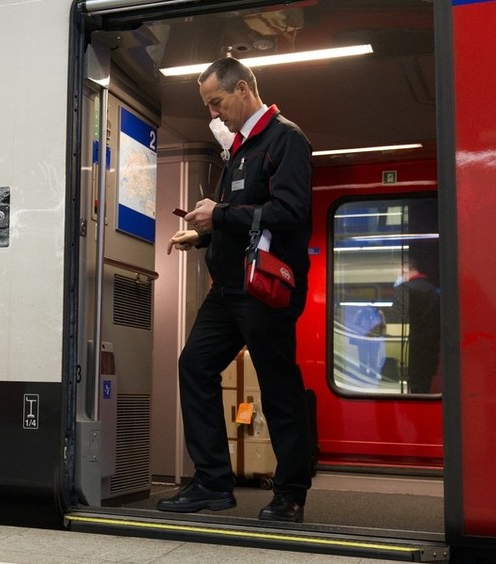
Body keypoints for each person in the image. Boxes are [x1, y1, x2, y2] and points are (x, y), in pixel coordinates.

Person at [158, 57, 313, 523]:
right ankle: (212, 484)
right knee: (195, 366)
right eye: (209, 106)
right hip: (228, 289)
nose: (214, 113)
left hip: (264, 288)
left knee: (278, 387)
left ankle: (290, 494)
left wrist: (218, 215)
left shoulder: (286, 140)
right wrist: (203, 232)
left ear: (243, 89)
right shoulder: (242, 149)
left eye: (217, 102)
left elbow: (289, 212)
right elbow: (245, 215)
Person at [391, 259, 440, 393]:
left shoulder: (405, 289)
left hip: (415, 347)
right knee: (426, 384)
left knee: (415, 387)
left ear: (405, 271)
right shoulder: (433, 290)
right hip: (433, 347)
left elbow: (397, 316)